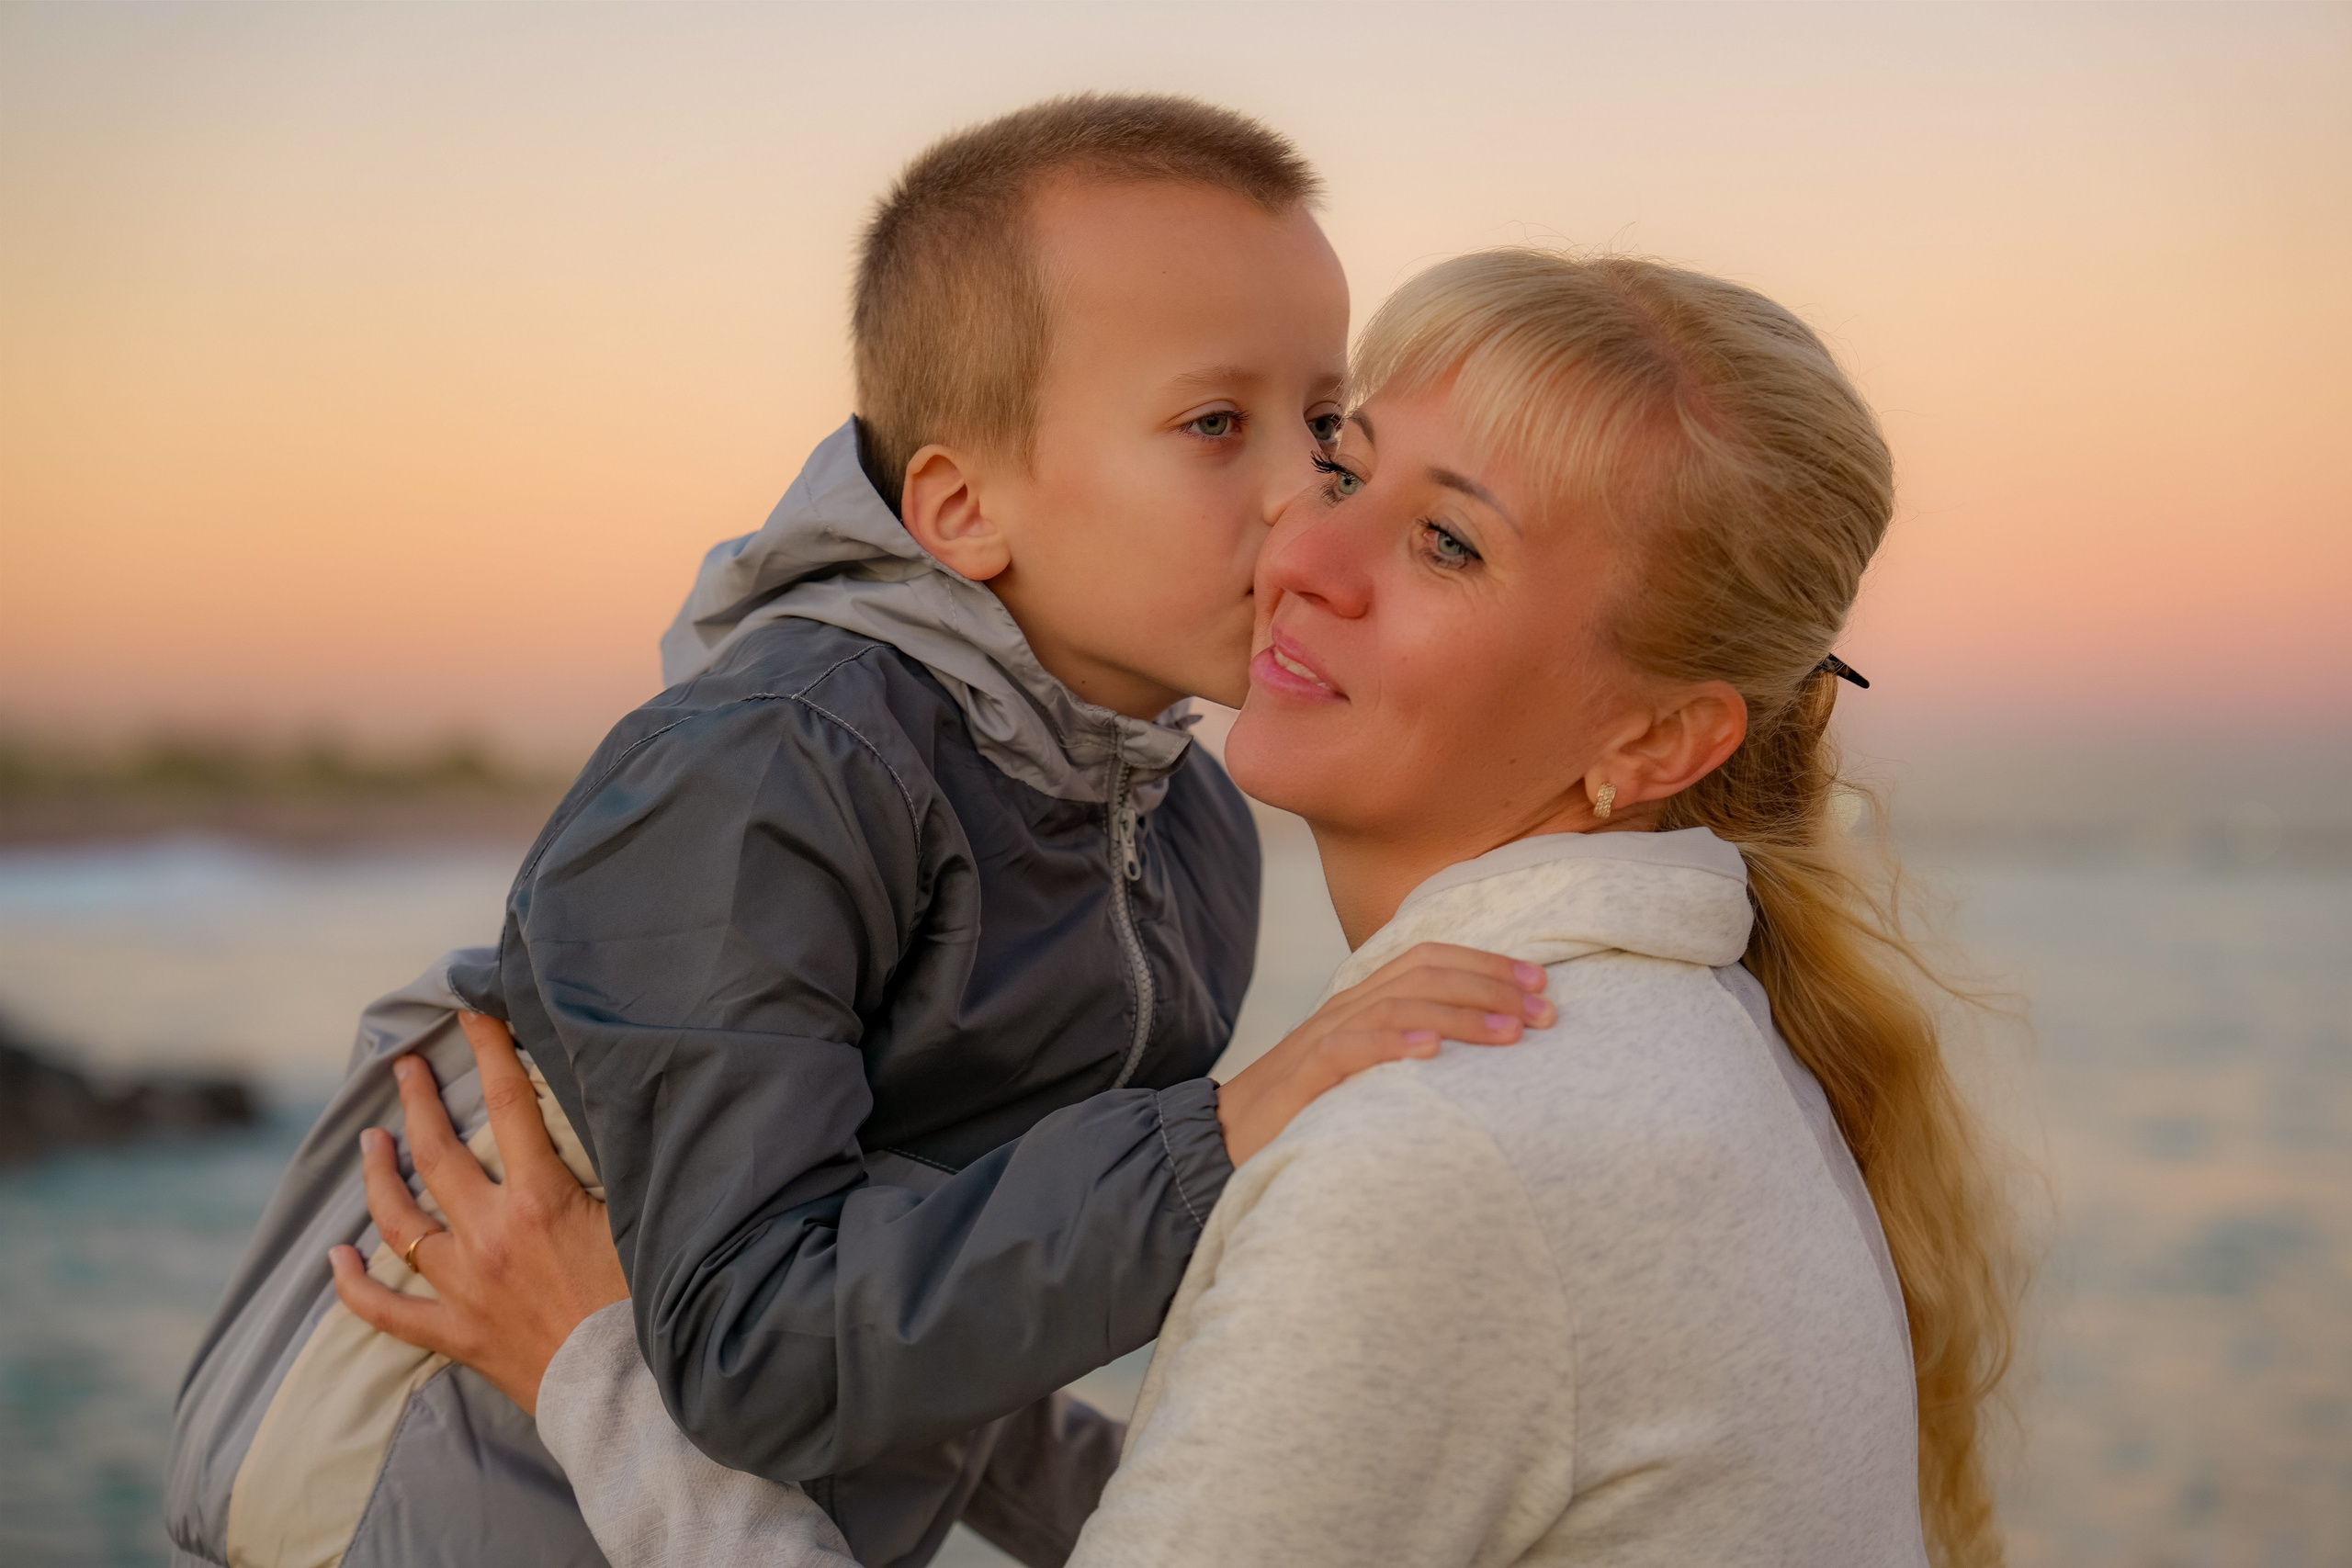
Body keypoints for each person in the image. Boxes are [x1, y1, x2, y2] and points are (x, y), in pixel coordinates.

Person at [347, 247, 2024, 1567]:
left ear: (1656, 737)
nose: (1302, 549)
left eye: (1445, 546)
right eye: (1342, 460)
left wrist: (590, 1368)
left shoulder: (1447, 1147)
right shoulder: (1682, 1054)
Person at [163, 96, 1548, 1568]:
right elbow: (756, 1341)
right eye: (1215, 423)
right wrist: (1227, 1133)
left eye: (1323, 421)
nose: (1301, 490)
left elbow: (945, 1296)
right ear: (960, 506)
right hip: (427, 1484)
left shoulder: (1183, 822)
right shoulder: (771, 770)